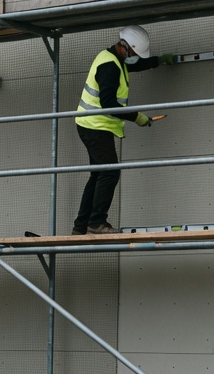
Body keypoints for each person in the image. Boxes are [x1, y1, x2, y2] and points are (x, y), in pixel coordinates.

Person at [72, 25, 169, 235]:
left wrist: (158, 61)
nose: (134, 57)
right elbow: (108, 103)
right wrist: (137, 117)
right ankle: (96, 222)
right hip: (95, 125)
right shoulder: (110, 66)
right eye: (134, 53)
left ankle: (81, 226)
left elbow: (134, 66)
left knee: (99, 175)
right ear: (124, 47)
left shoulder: (115, 60)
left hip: (93, 125)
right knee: (110, 173)